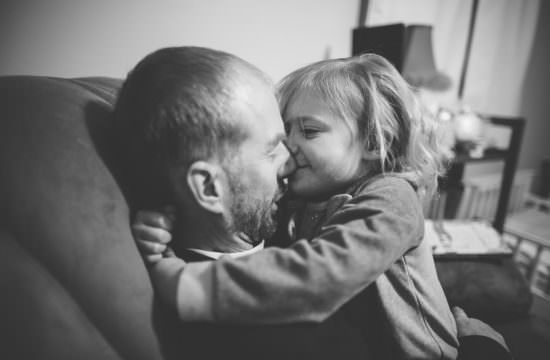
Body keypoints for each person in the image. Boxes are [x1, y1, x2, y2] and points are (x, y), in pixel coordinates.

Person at [125, 46, 511, 359]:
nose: (289, 149)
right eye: (281, 135)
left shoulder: (393, 197)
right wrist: (166, 219)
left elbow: (324, 273)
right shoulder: (306, 192)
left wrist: (187, 285)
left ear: (374, 145)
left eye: (307, 131)